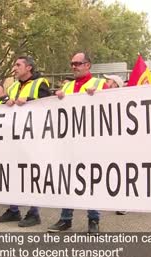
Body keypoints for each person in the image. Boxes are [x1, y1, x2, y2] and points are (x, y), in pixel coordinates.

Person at [51, 52, 107, 234]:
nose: (74, 67)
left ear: (88, 65)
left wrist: (100, 96)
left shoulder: (99, 84)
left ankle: (93, 220)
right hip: (69, 142)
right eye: (72, 64)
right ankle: (65, 219)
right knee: (68, 181)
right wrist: (57, 98)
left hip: (91, 142)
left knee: (90, 180)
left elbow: (113, 107)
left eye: (78, 63)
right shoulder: (67, 87)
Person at [0, 56, 51, 227]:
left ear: (29, 68)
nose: (15, 67)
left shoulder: (41, 83)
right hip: (13, 137)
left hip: (33, 137)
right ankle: (13, 210)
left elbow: (47, 105)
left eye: (18, 65)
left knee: (32, 176)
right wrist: (6, 101)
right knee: (13, 174)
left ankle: (34, 213)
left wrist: (29, 102)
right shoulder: (12, 87)